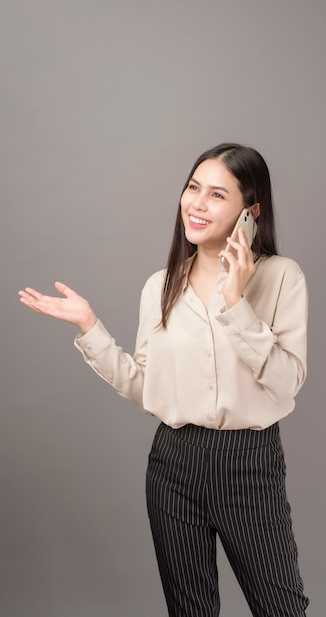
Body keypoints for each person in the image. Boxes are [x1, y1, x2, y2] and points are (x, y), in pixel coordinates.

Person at [19, 143, 309, 617]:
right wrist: (90, 327)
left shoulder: (281, 278)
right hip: (173, 463)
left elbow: (286, 382)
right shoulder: (161, 285)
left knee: (281, 608)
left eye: (217, 195)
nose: (196, 203)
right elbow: (146, 389)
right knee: (189, 611)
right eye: (193, 188)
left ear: (250, 213)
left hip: (248, 465)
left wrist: (236, 303)